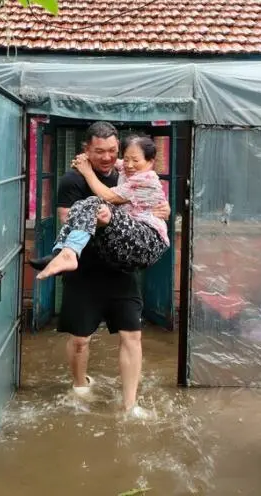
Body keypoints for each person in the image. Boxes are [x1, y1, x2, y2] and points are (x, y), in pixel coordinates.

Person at [47, 121, 170, 417]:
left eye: (113, 151)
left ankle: (130, 404)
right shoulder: (71, 180)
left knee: (132, 335)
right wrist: (97, 216)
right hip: (86, 270)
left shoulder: (128, 173)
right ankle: (79, 386)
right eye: (99, 151)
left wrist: (162, 208)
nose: (109, 158)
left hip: (120, 271)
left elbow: (141, 199)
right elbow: (66, 217)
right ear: (86, 150)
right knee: (79, 340)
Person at [31, 134, 169, 280]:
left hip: (148, 241)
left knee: (95, 203)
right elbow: (114, 161)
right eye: (127, 159)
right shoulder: (128, 168)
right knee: (82, 205)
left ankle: (66, 253)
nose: (129, 164)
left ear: (150, 162)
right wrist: (86, 157)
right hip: (126, 240)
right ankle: (61, 253)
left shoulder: (145, 180)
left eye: (135, 160)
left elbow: (108, 196)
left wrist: (87, 171)